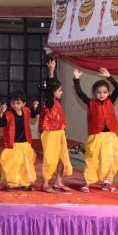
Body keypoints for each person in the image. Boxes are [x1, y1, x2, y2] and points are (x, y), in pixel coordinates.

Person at [73, 68, 118, 192]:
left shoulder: (110, 100)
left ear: (108, 93)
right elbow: (80, 94)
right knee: (92, 159)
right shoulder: (90, 103)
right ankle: (87, 182)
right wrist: (76, 79)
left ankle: (106, 182)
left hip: (110, 136)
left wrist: (109, 77)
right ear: (94, 93)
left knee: (109, 159)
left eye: (104, 92)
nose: (101, 94)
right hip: (95, 136)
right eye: (98, 92)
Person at [39, 59, 72, 193]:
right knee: (50, 158)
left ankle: (58, 181)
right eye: (59, 90)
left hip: (59, 133)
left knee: (62, 157)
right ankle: (45, 183)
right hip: (50, 133)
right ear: (53, 92)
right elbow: (50, 87)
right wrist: (51, 71)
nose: (61, 92)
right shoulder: (50, 103)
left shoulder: (56, 103)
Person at [0, 90, 40, 191]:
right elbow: (0, 123)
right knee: (13, 165)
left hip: (25, 143)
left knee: (26, 165)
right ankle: (12, 184)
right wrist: (1, 113)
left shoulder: (26, 111)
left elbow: (33, 114)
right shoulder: (8, 114)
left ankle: (25, 183)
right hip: (13, 144)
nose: (15, 105)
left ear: (23, 104)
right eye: (13, 103)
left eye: (18, 103)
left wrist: (35, 108)